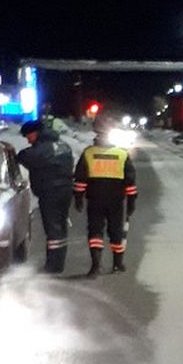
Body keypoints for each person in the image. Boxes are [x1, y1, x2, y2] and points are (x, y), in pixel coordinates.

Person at [73, 116, 137, 278]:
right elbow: (130, 181)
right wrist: (131, 201)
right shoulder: (122, 154)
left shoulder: (89, 153)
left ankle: (96, 266)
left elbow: (80, 178)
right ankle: (118, 263)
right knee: (116, 232)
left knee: (95, 231)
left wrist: (79, 197)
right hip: (116, 200)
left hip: (95, 199)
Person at [16, 119, 75, 273]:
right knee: (61, 226)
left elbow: (24, 156)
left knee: (53, 227)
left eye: (28, 136)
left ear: (36, 133)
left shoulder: (43, 149)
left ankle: (53, 266)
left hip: (51, 192)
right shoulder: (62, 145)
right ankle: (59, 262)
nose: (28, 140)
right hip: (65, 190)